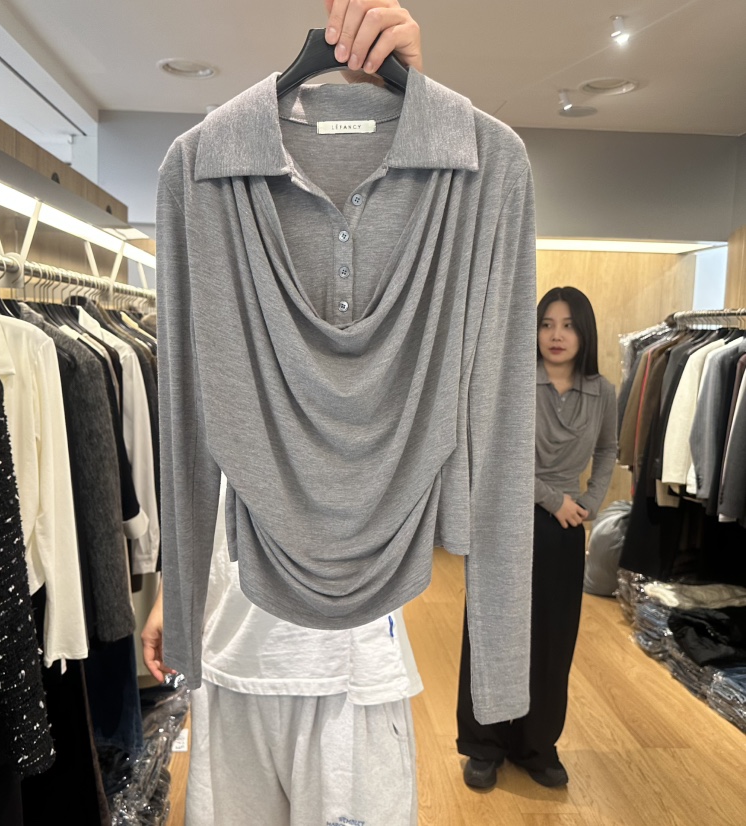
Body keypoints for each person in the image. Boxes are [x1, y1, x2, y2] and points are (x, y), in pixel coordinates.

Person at [142, 4, 425, 824]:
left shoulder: (401, 214)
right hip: (232, 643)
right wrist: (174, 592)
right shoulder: (213, 187)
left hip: (350, 661)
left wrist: (411, 106)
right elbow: (195, 433)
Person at [456, 286, 618, 789]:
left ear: (584, 332)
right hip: (507, 519)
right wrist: (554, 499)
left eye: (567, 325)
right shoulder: (514, 382)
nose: (555, 335)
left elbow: (609, 448)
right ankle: (483, 745)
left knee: (552, 639)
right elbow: (496, 451)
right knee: (492, 630)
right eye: (547, 324)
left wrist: (591, 500)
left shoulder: (603, 391)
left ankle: (536, 744)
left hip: (565, 528)